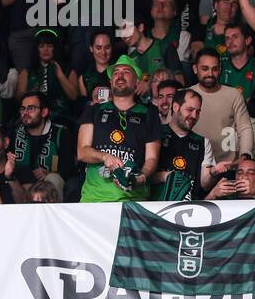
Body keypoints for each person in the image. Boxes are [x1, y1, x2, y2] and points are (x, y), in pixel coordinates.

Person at [76, 55, 160, 202]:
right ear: (110, 82)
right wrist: (105, 157)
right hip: (95, 199)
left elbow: (152, 158)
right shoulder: (94, 110)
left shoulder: (149, 115)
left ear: (136, 82)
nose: (120, 75)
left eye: (126, 71)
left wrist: (142, 177)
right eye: (116, 72)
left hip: (134, 200)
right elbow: (82, 151)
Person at [187, 49, 255, 166]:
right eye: (204, 69)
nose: (210, 74)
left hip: (227, 166)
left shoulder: (234, 94)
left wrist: (245, 155)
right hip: (191, 164)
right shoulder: (184, 95)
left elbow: (244, 128)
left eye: (214, 69)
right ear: (195, 69)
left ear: (220, 70)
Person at [152, 89, 220, 201]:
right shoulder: (156, 132)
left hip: (190, 209)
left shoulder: (203, 142)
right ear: (175, 107)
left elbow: (205, 184)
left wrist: (213, 172)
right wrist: (166, 176)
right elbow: (143, 174)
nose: (194, 116)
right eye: (190, 110)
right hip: (155, 205)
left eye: (198, 112)